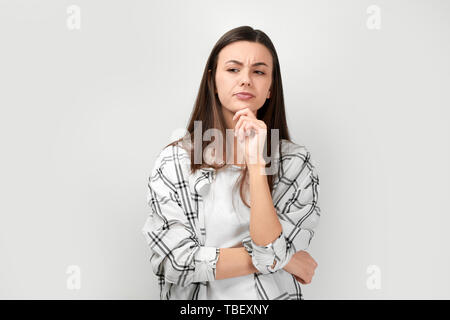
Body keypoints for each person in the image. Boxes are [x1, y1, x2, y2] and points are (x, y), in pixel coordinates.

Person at [142, 26, 321, 300]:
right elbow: (176, 263)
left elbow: (271, 250)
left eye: (259, 72)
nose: (246, 80)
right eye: (233, 69)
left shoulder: (295, 164)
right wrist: (284, 259)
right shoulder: (175, 162)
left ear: (271, 87)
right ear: (213, 81)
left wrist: (257, 164)